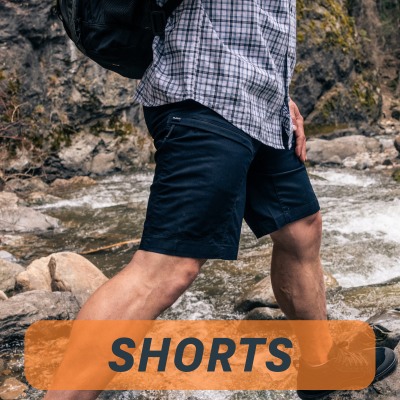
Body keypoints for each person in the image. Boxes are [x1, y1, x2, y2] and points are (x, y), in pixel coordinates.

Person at [44, 0, 397, 399]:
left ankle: (319, 368)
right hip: (207, 94)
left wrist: (277, 92)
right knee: (167, 268)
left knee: (301, 229)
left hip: (264, 104)